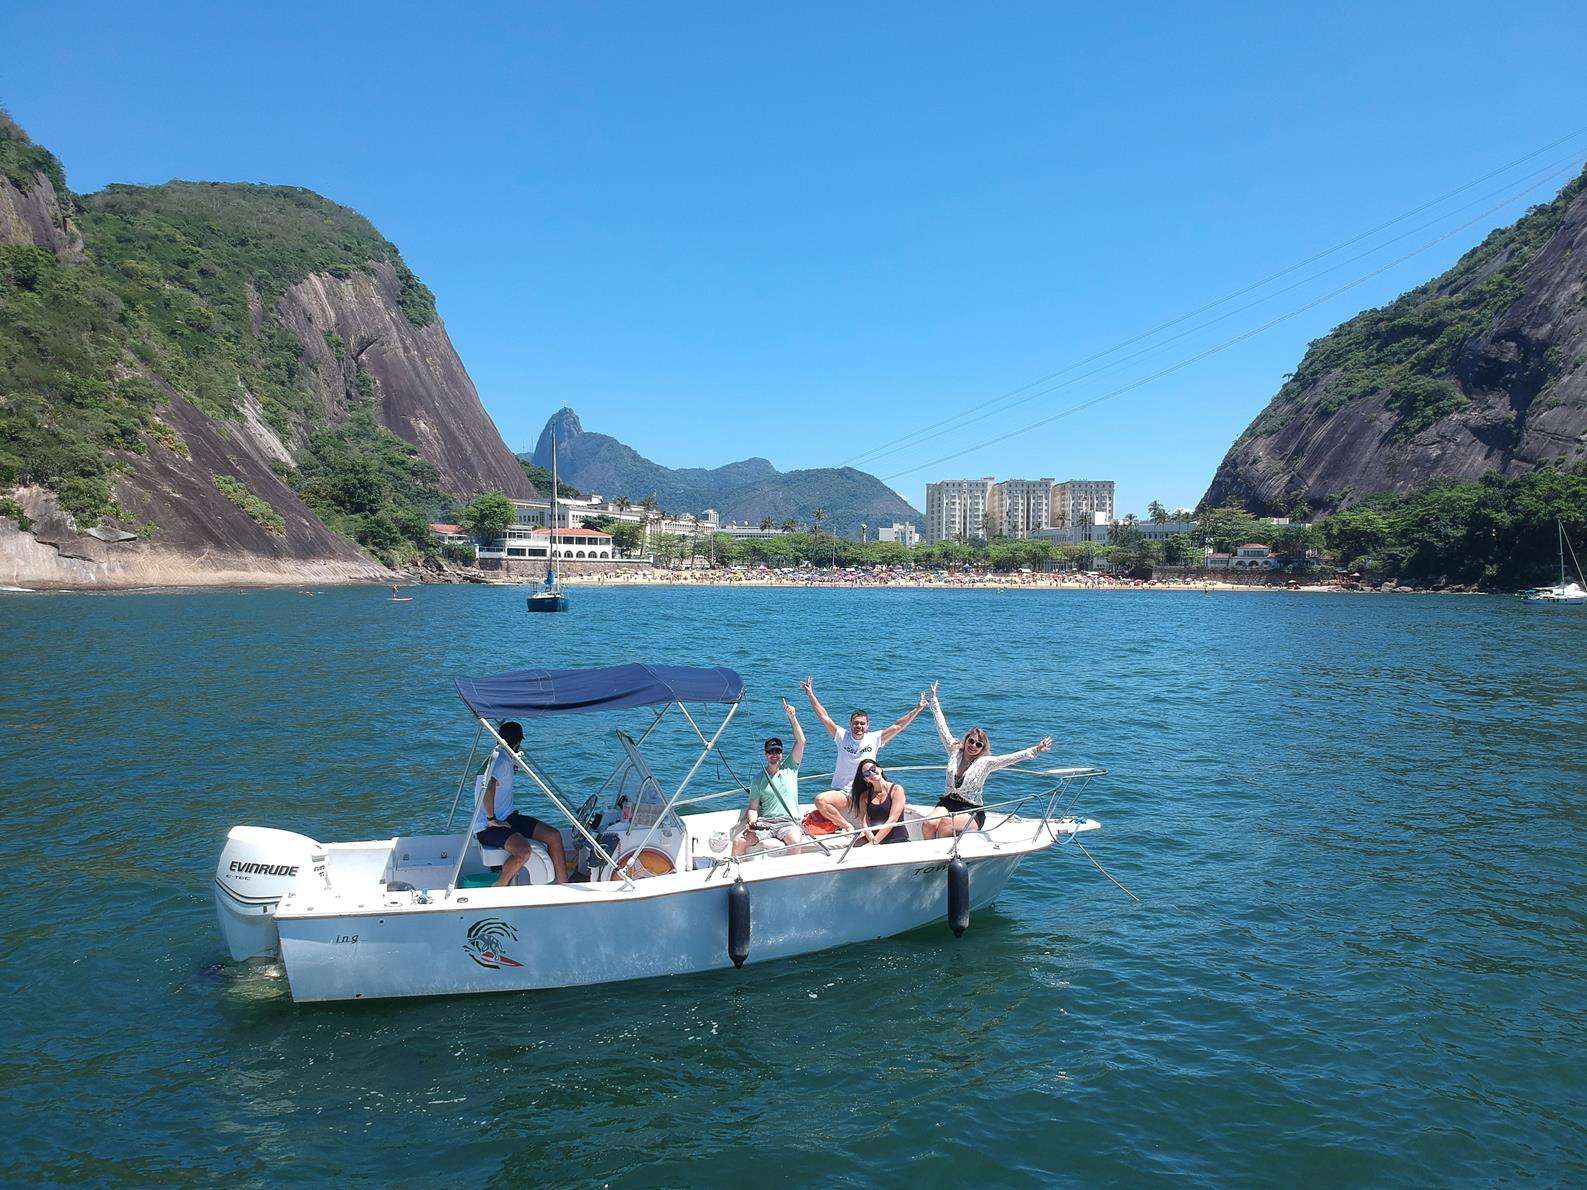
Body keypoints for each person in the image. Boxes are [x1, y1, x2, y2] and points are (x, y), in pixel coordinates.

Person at [921, 681, 1052, 840]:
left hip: (971, 809)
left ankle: (943, 857)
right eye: (971, 741)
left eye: (978, 744)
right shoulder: (955, 751)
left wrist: (1036, 749)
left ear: (982, 748)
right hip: (949, 802)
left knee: (946, 825)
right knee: (928, 823)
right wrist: (934, 700)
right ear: (966, 739)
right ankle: (931, 856)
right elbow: (942, 729)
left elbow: (1009, 759)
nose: (973, 746)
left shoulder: (985, 762)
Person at [801, 676, 928, 831]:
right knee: (820, 800)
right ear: (850, 724)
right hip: (844, 792)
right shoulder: (842, 736)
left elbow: (898, 726)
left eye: (862, 723)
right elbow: (824, 716)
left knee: (879, 817)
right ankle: (846, 827)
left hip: (866, 792)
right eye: (855, 723)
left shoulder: (874, 738)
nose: (859, 726)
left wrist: (918, 709)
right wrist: (810, 694)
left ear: (868, 725)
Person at [472, 721, 568, 885]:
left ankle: (564, 884)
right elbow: (488, 786)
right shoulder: (501, 761)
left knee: (554, 836)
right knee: (523, 851)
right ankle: (499, 887)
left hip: (508, 818)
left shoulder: (502, 757)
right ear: (517, 743)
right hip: (487, 827)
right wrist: (491, 819)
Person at [733, 699, 808, 857]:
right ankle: (733, 874)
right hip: (766, 822)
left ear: (781, 753)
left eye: (777, 751)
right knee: (739, 841)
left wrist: (792, 717)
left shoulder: (791, 768)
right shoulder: (758, 779)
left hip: (788, 822)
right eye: (770, 752)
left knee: (795, 840)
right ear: (765, 754)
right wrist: (752, 823)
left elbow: (801, 741)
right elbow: (753, 808)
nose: (774, 755)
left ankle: (793, 878)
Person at [851, 760, 908, 845]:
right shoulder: (864, 796)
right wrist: (872, 841)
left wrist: (875, 842)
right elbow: (864, 823)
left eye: (873, 769)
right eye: (867, 773)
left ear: (880, 769)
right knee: (853, 848)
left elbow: (892, 820)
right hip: (874, 838)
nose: (871, 773)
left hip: (896, 838)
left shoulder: (896, 790)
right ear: (865, 779)